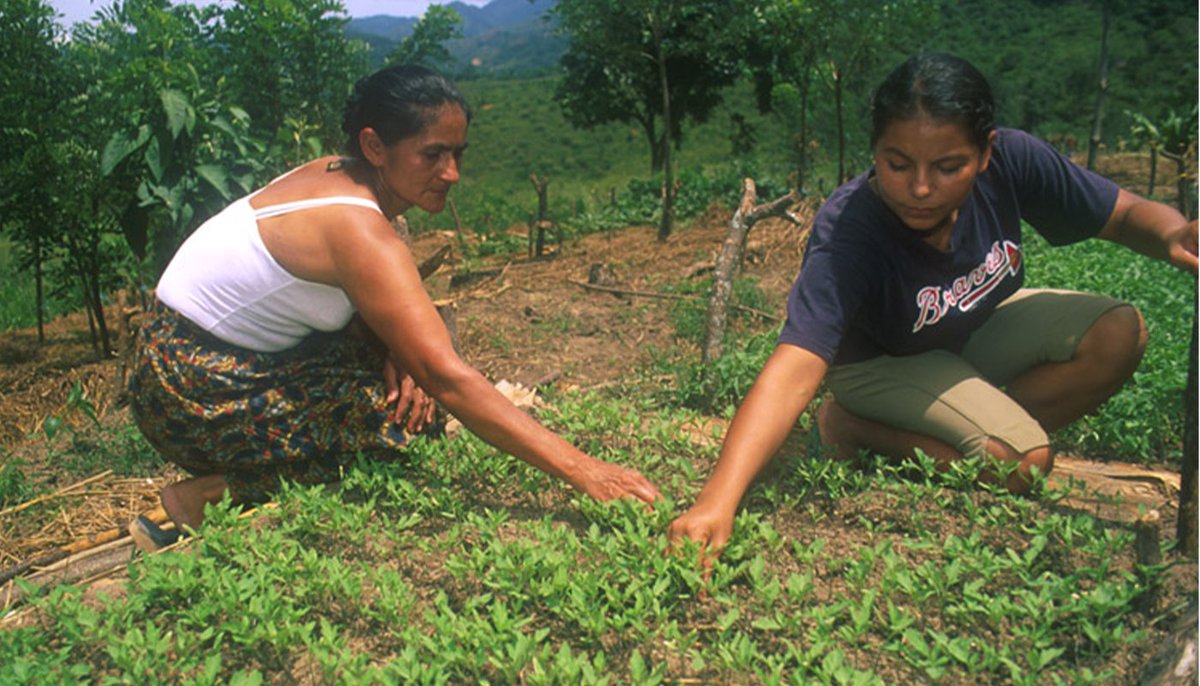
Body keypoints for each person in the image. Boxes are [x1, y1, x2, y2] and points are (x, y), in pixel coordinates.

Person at [667, 53, 1197, 555]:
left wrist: (1176, 235)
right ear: (874, 152)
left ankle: (978, 436)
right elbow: (794, 367)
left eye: (948, 167)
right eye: (897, 164)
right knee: (1025, 463)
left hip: (965, 333)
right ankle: (852, 426)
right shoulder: (850, 229)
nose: (920, 188)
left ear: (985, 153)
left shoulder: (1013, 161)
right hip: (880, 366)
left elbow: (1122, 214)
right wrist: (717, 501)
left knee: (1117, 332)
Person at [128, 64, 661, 551]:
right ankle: (208, 495)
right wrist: (585, 470)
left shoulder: (334, 172)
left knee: (409, 392)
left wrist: (395, 350)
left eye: (458, 154)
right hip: (190, 390)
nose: (451, 173)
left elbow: (349, 302)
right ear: (375, 146)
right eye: (432, 155)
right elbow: (448, 377)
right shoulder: (359, 231)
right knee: (404, 427)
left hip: (175, 355)